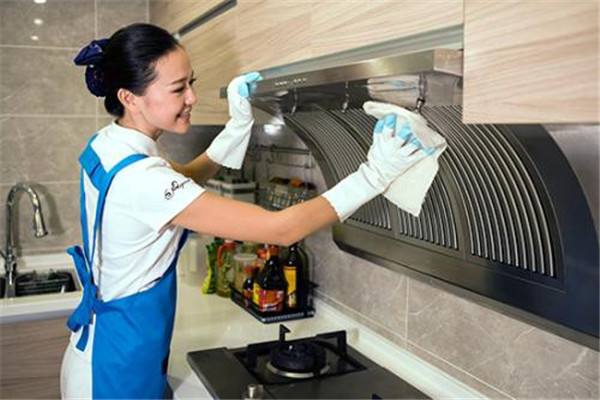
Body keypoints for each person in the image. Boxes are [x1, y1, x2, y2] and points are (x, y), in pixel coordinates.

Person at [61, 23, 430, 399]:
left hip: (109, 345)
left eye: (191, 82)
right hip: (112, 371)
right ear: (130, 97)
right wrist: (373, 177)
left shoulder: (112, 145)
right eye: (178, 89)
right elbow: (281, 230)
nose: (192, 97)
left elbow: (181, 180)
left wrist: (236, 129)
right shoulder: (140, 177)